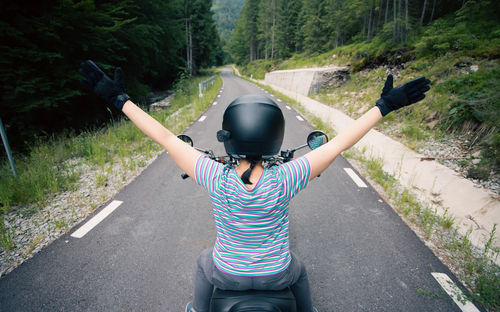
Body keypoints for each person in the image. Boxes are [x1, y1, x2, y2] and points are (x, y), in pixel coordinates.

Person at [79, 60, 431, 312]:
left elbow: (165, 137)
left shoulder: (214, 176)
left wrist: (118, 100)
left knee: (204, 261)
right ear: (275, 137)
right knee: (300, 268)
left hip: (227, 274)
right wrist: (384, 106)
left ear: (228, 137)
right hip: (277, 275)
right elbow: (339, 143)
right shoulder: (286, 178)